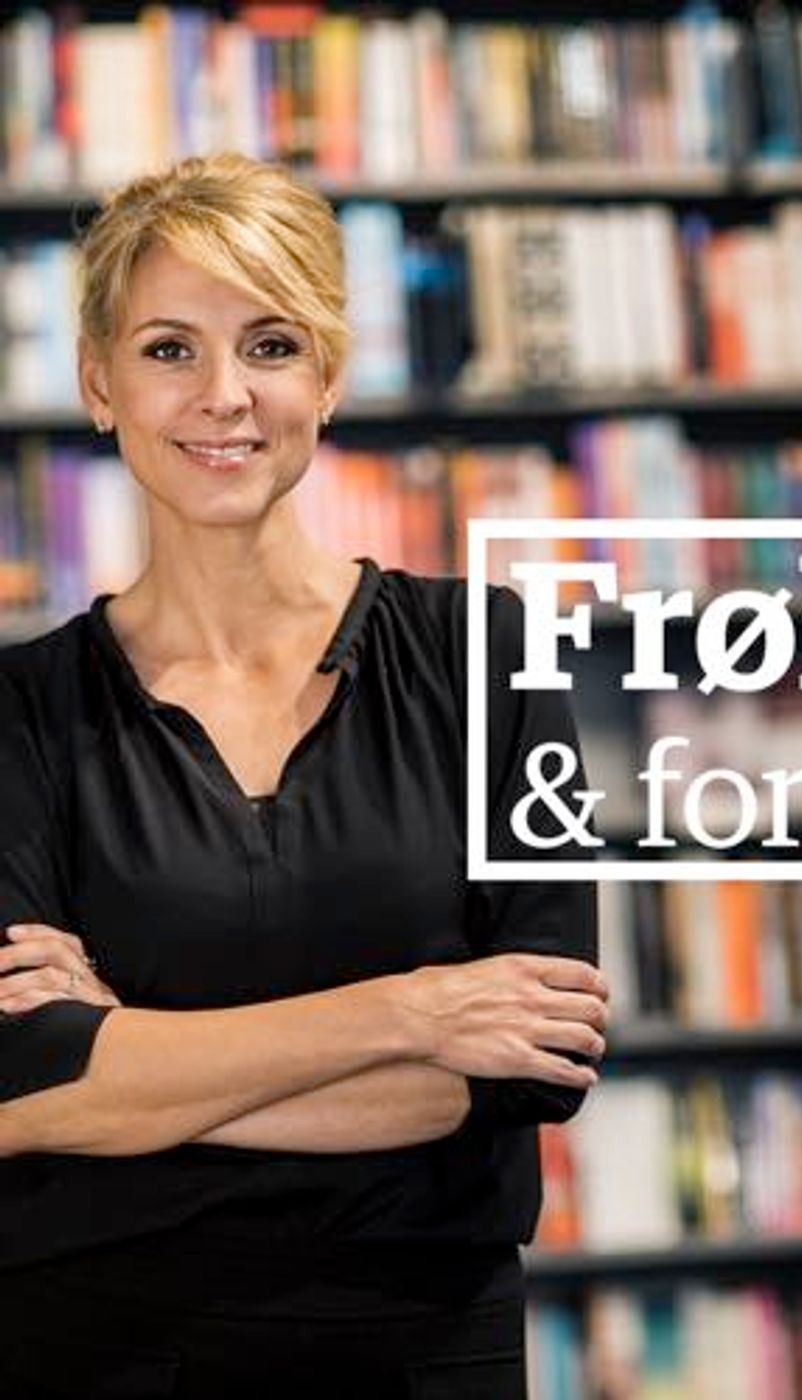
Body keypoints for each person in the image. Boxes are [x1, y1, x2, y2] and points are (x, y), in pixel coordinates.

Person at [0, 153, 606, 1399]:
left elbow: (529, 1059)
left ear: (326, 376)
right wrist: (413, 1013)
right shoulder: (17, 713)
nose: (223, 394)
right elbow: (19, 1085)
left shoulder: (485, 654)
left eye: (269, 344)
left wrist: (126, 1061)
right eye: (169, 348)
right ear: (99, 383)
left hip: (426, 1352)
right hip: (97, 1354)